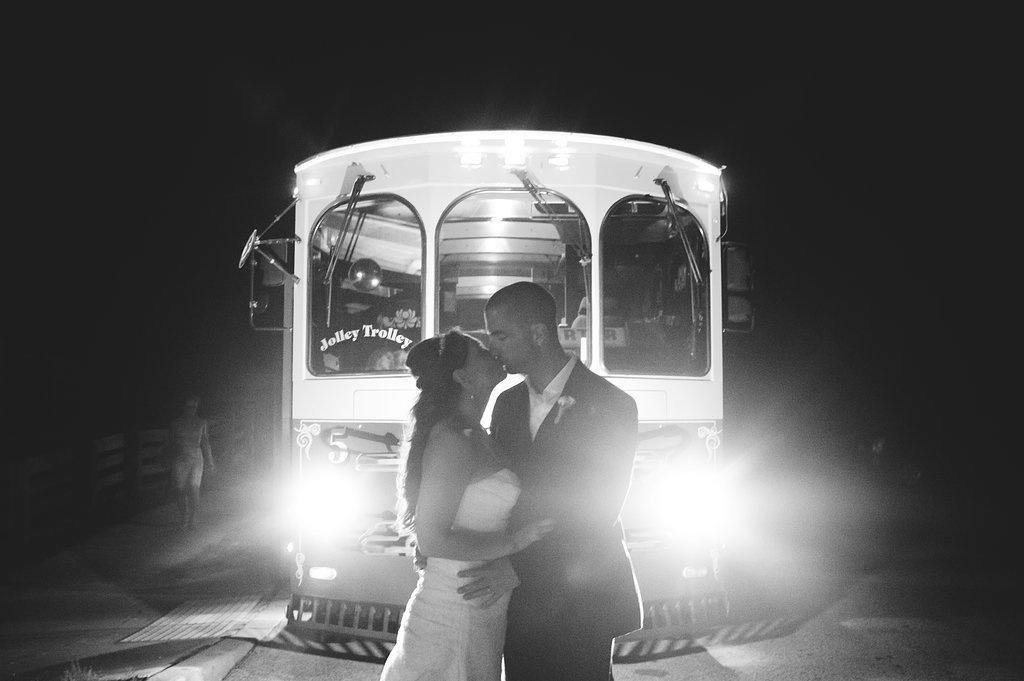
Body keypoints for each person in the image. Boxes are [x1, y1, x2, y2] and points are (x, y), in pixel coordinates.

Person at [460, 281, 643, 680]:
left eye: (501, 335)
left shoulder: (613, 404)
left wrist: (518, 568)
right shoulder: (506, 404)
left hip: (582, 594)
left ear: (539, 333)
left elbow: (601, 508)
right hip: (520, 603)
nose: (493, 347)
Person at [380, 328, 554, 681]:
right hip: (453, 609)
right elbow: (432, 540)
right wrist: (515, 544)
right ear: (464, 377)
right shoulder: (452, 438)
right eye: (481, 352)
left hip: (481, 606)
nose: (492, 350)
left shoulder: (479, 431)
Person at [168, 394, 215, 529]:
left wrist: (210, 461)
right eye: (189, 407)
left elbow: (205, 443)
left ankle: (193, 517)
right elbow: (171, 442)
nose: (192, 410)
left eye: (194, 407)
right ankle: (184, 517)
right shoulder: (175, 424)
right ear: (184, 408)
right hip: (180, 458)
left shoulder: (201, 423)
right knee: (180, 489)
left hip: (196, 458)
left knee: (194, 488)